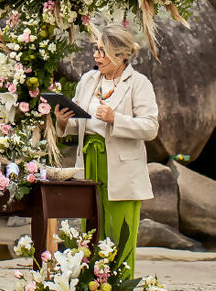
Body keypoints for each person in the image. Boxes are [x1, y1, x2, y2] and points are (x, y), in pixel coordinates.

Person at [52, 25, 158, 277]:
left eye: (102, 51)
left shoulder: (138, 83)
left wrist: (115, 119)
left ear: (120, 55)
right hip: (89, 160)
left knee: (120, 230)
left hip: (121, 168)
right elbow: (78, 120)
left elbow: (150, 127)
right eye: (96, 49)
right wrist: (63, 121)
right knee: (91, 227)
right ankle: (91, 288)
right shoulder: (89, 80)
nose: (96, 55)